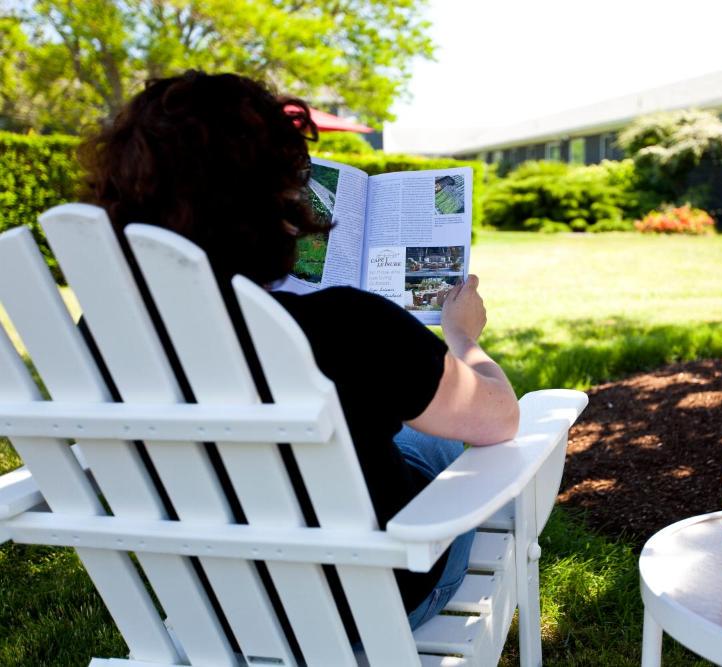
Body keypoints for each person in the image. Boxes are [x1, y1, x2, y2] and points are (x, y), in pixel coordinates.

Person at [79, 70, 519, 642]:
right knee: (434, 438)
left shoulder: (102, 332)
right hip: (376, 604)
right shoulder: (346, 325)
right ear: (276, 195)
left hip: (218, 608)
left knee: (403, 423)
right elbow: (499, 420)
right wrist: (462, 338)